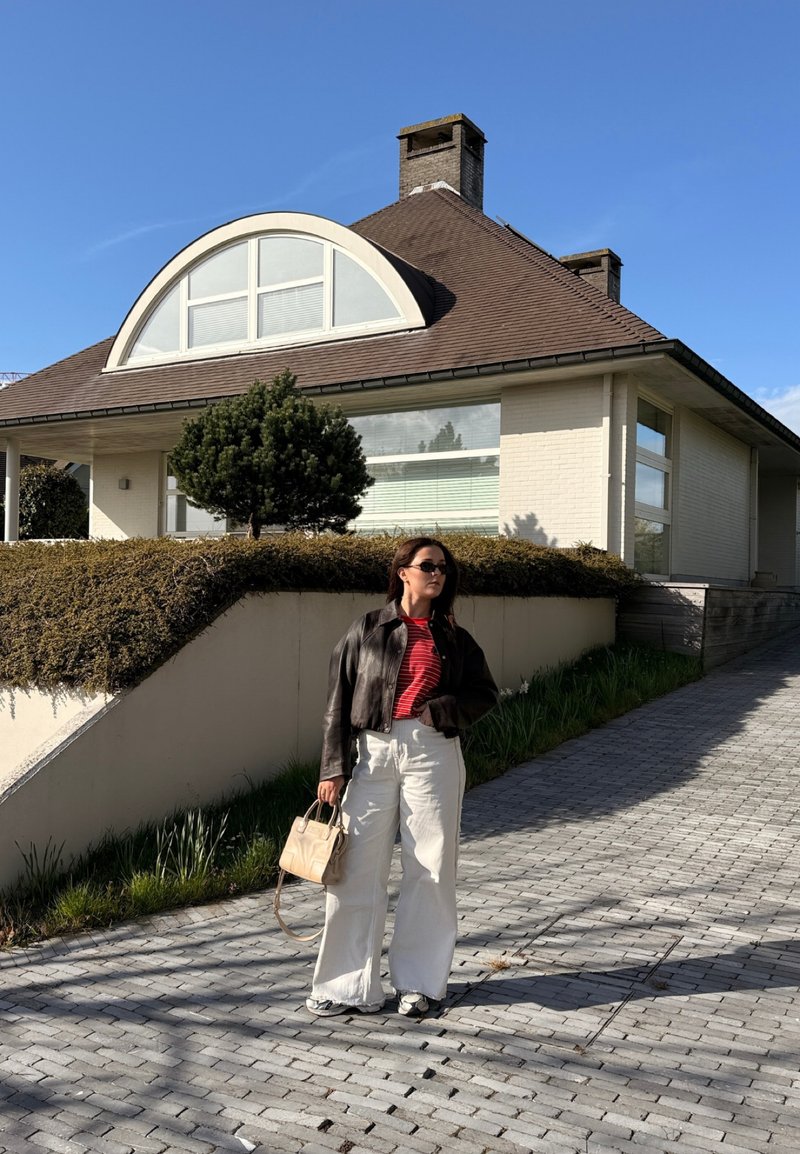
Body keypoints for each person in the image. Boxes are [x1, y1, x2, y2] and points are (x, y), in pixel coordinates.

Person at [306, 536, 499, 1018]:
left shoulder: (454, 637)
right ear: (403, 572)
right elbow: (336, 702)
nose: (438, 574)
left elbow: (484, 693)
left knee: (431, 868)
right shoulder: (367, 629)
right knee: (353, 870)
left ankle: (419, 983)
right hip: (372, 754)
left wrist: (442, 710)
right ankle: (347, 986)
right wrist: (333, 768)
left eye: (444, 568)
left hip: (432, 752)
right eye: (428, 565)